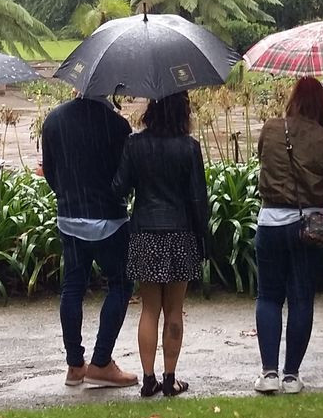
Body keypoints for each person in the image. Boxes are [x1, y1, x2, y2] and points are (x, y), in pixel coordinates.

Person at [112, 93, 209, 397]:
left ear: (151, 109)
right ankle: (170, 378)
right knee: (175, 311)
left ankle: (148, 378)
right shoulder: (190, 148)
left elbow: (119, 188)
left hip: (145, 233)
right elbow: (197, 199)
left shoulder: (134, 144)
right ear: (183, 112)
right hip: (180, 232)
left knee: (149, 310)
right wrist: (202, 239)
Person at [252, 78, 323, 394]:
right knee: (301, 299)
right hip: (309, 227)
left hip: (270, 222)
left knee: (268, 297)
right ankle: (292, 376)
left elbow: (261, 158)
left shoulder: (271, 128)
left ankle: (268, 373)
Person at [41, 90, 138, 390]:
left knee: (72, 287)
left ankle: (74, 366)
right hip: (109, 219)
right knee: (121, 284)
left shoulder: (54, 120)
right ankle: (101, 362)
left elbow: (50, 171)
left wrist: (67, 197)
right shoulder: (118, 126)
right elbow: (124, 178)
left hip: (69, 217)